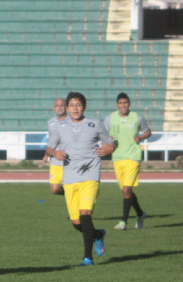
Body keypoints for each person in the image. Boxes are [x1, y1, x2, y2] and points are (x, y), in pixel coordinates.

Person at [46, 92, 115, 266]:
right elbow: (49, 149)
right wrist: (55, 153)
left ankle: (87, 257)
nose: (75, 108)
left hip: (90, 175)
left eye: (78, 105)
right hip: (69, 178)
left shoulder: (95, 124)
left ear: (84, 107)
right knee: (77, 223)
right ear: (67, 108)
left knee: (85, 215)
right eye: (72, 105)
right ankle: (98, 235)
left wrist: (108, 149)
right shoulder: (60, 127)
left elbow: (112, 142)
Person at [104, 92, 151, 230]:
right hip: (118, 158)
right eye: (120, 103)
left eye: (125, 103)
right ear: (117, 105)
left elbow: (148, 131)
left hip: (133, 157)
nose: (123, 105)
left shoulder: (137, 118)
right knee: (127, 191)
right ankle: (140, 213)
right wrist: (108, 140)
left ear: (129, 104)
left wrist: (141, 137)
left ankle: (123, 221)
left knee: (126, 189)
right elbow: (103, 134)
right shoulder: (110, 119)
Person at [43, 98, 68, 195]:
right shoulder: (50, 122)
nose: (59, 108)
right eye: (57, 105)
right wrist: (46, 154)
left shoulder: (71, 121)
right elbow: (51, 141)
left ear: (66, 107)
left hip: (68, 160)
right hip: (55, 160)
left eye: (61, 105)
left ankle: (72, 195)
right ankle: (70, 194)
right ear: (54, 108)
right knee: (54, 189)